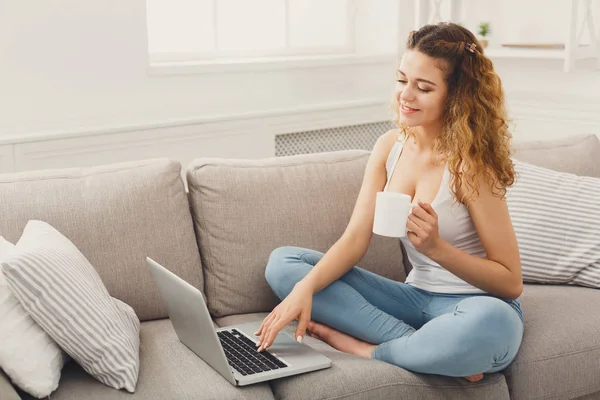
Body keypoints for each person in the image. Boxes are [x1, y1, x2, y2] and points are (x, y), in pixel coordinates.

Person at [255, 22, 524, 383]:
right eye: (402, 80)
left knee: (491, 326)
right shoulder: (389, 147)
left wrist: (437, 248)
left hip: (475, 305)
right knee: (284, 264)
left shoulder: (471, 165)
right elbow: (354, 241)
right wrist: (302, 291)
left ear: (456, 96)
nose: (406, 96)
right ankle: (427, 350)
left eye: (423, 87)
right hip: (414, 301)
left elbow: (510, 283)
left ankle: (366, 349)